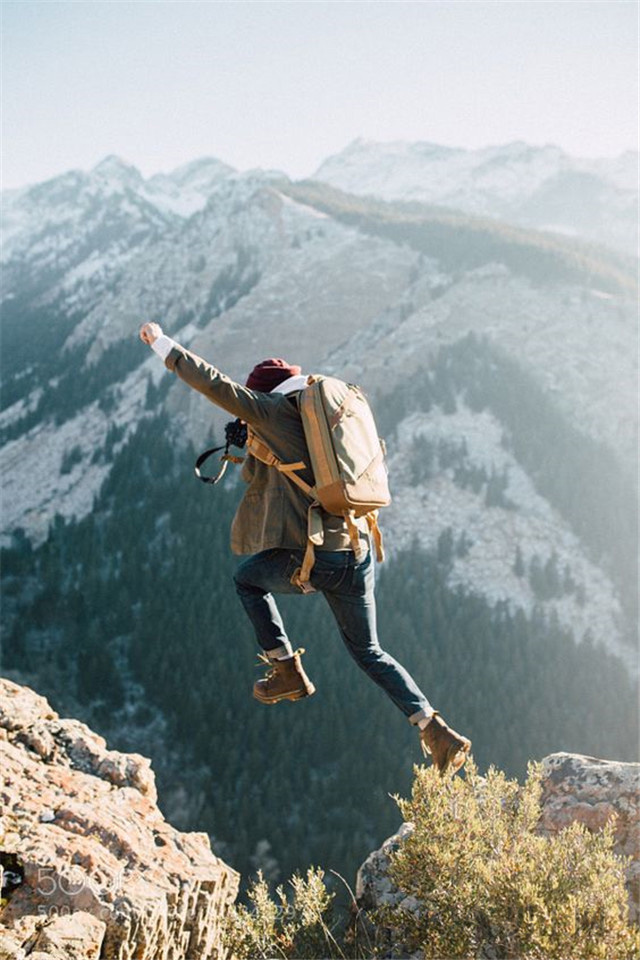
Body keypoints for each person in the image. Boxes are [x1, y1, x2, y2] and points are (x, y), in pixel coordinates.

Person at [139, 322, 471, 775]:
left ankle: (287, 671)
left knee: (247, 580)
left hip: (318, 558)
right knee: (369, 651)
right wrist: (248, 446)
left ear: (266, 397)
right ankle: (435, 729)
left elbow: (213, 383)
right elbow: (273, 477)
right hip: (358, 553)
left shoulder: (270, 412)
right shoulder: (318, 417)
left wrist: (161, 343)